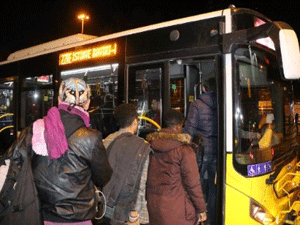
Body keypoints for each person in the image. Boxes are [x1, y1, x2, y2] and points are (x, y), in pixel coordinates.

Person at [9, 78, 113, 225]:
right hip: (79, 220)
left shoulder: (35, 129)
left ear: (58, 100)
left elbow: (13, 162)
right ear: (88, 103)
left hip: (38, 216)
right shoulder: (91, 137)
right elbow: (103, 177)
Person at [146, 109, 207, 225]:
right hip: (177, 211)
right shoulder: (184, 150)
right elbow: (192, 184)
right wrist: (201, 209)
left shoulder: (151, 145)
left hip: (154, 208)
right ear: (179, 126)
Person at [101, 103, 152, 225]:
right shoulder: (142, 146)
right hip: (129, 212)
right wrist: (136, 214)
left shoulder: (105, 141)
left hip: (106, 205)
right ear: (135, 122)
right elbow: (141, 183)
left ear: (118, 122)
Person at [184, 77, 217, 225]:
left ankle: (199, 217)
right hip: (217, 150)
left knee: (199, 185)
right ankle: (212, 218)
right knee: (213, 186)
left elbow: (188, 131)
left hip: (202, 152)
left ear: (204, 88)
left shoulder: (196, 105)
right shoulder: (223, 102)